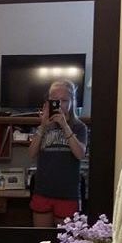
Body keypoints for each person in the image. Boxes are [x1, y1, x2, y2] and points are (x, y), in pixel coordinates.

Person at [29, 80, 87, 227]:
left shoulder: (79, 127)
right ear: (48, 102)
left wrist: (65, 125)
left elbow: (80, 154)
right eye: (55, 101)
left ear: (72, 102)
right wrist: (43, 125)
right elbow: (31, 153)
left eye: (64, 100)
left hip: (68, 193)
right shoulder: (44, 127)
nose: (60, 104)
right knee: (41, 241)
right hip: (43, 191)